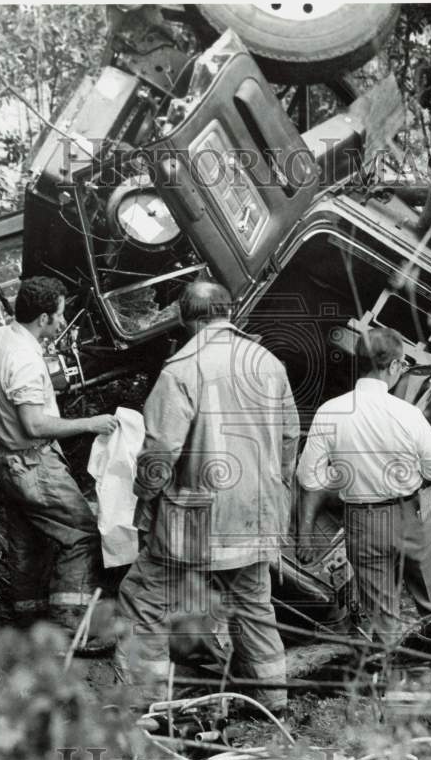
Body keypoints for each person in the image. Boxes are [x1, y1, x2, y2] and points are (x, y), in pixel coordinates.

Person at [112, 281, 299, 714]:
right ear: (228, 312)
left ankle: (145, 708)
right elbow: (290, 439)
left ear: (185, 317)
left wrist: (144, 496)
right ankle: (274, 702)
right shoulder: (268, 363)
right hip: (256, 517)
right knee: (253, 605)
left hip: (194, 523)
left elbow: (159, 454)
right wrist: (274, 490)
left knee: (145, 601)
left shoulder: (181, 370)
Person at [0, 276, 117, 650]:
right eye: (60, 315)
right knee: (80, 533)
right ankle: (71, 629)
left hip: (2, 460)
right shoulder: (26, 360)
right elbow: (33, 424)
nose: (63, 323)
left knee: (28, 538)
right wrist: (89, 424)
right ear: (44, 318)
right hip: (32, 462)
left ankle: (28, 617)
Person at [296, 327, 431, 650]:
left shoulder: (329, 413)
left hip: (363, 522)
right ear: (393, 366)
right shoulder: (408, 414)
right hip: (411, 514)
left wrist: (349, 475)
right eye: (402, 366)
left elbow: (309, 478)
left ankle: (390, 679)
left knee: (382, 618)